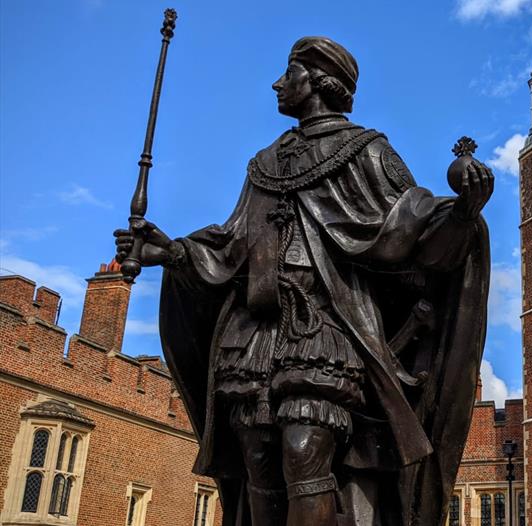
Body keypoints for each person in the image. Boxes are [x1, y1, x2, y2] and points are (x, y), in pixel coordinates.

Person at [114, 36, 492, 526]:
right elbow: (233, 244)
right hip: (254, 332)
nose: (277, 83)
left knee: (304, 448)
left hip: (324, 326)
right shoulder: (266, 162)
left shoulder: (367, 152)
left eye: (288, 73)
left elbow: (412, 228)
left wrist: (462, 212)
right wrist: (174, 252)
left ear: (317, 80)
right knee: (258, 459)